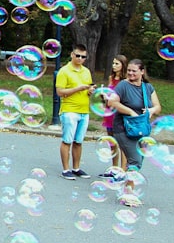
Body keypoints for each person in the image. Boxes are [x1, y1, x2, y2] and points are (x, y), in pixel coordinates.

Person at [107, 59, 162, 206]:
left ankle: (127, 189)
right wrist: (130, 111)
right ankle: (128, 194)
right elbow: (112, 102)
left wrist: (152, 110)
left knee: (138, 161)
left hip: (141, 129)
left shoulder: (148, 87)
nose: (130, 73)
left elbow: (158, 107)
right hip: (123, 128)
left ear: (142, 72)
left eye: (134, 71)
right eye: (129, 70)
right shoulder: (123, 85)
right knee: (135, 160)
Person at [55, 44, 94, 180]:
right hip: (69, 110)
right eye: (77, 55)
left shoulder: (86, 71)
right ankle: (66, 169)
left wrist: (89, 91)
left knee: (78, 141)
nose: (80, 58)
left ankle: (76, 168)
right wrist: (78, 88)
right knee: (67, 140)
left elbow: (87, 89)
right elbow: (60, 92)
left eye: (83, 57)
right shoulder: (64, 71)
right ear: (72, 55)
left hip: (84, 111)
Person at [99, 54, 128, 179]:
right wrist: (104, 96)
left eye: (117, 63)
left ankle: (122, 171)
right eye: (113, 63)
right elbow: (109, 96)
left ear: (123, 65)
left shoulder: (125, 80)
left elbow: (125, 98)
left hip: (119, 114)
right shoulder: (111, 78)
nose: (114, 66)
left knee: (122, 143)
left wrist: (111, 99)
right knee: (112, 142)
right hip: (109, 113)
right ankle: (114, 169)